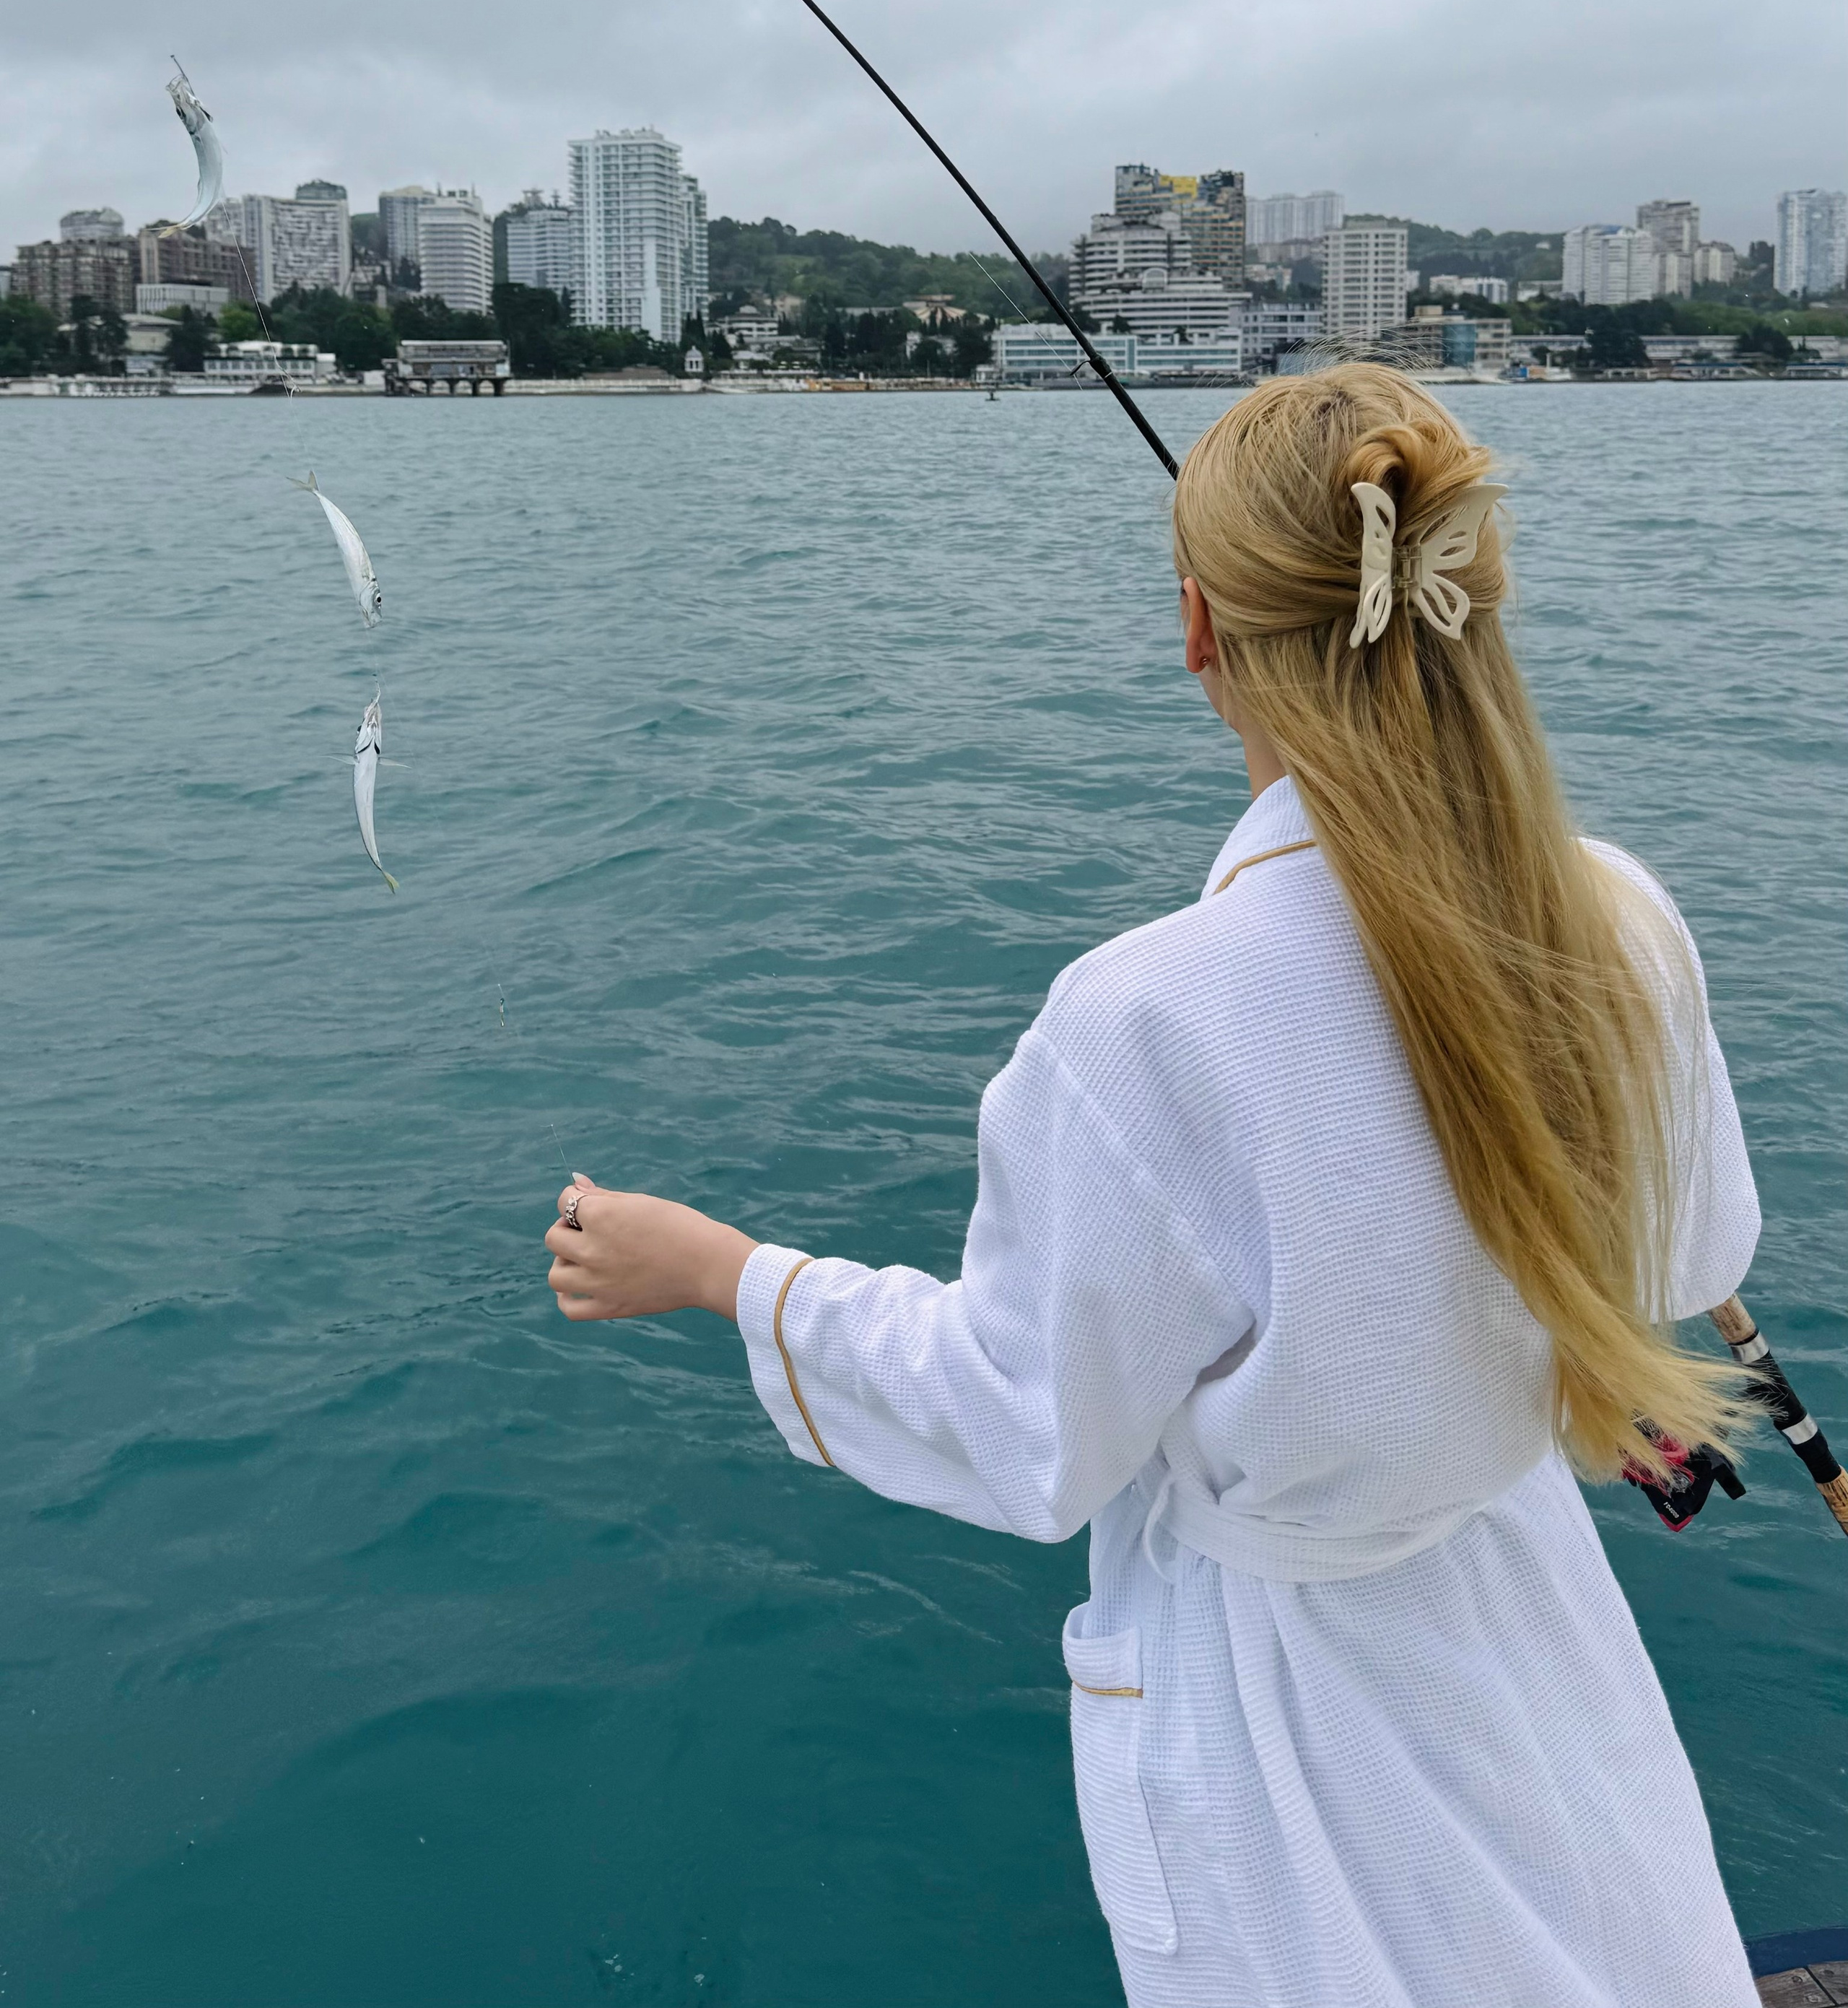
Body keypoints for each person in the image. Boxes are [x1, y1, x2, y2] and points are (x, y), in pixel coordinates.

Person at [544, 362, 1761, 2007]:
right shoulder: (1618, 911)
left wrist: (725, 1271)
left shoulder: (1147, 1018)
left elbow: (1023, 1424)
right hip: (1536, 1651)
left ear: (1197, 628)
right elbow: (1673, 1254)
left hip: (1298, 1721)